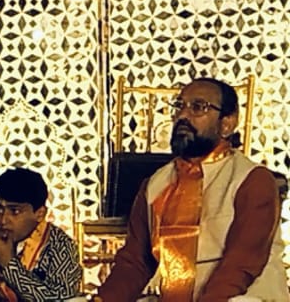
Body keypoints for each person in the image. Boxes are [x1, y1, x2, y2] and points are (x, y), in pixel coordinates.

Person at [95, 78, 287, 302]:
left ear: (227, 123)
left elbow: (241, 263)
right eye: (179, 106)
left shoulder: (252, 179)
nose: (183, 116)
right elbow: (135, 262)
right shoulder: (154, 184)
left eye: (198, 107)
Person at [0, 168, 81, 302]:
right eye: (0, 209)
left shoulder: (61, 245)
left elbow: (59, 299)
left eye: (15, 211)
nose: (3, 220)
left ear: (39, 214)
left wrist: (8, 263)